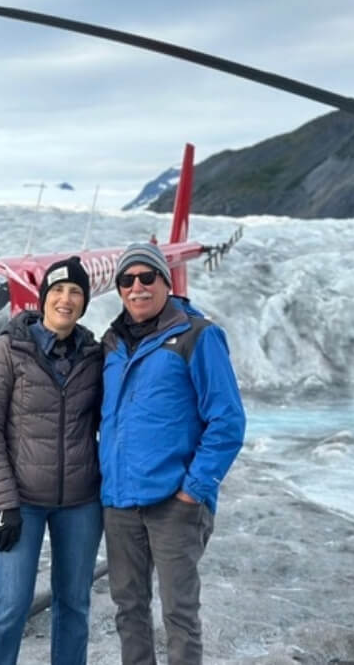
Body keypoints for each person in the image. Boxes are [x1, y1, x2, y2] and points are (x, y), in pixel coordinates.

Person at [99, 243, 245, 665]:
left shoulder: (198, 335)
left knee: (179, 614)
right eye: (127, 280)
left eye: (148, 278)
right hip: (121, 503)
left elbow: (227, 421)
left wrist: (193, 490)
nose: (138, 287)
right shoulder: (112, 344)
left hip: (173, 504)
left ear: (166, 281)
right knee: (129, 611)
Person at [0, 256, 104, 665]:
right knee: (10, 605)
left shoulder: (93, 356)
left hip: (82, 503)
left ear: (83, 303)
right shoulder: (10, 349)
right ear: (44, 296)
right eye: (59, 290)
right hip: (21, 501)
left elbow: (111, 421)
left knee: (74, 605)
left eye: (76, 292)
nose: (66, 299)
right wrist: (5, 503)